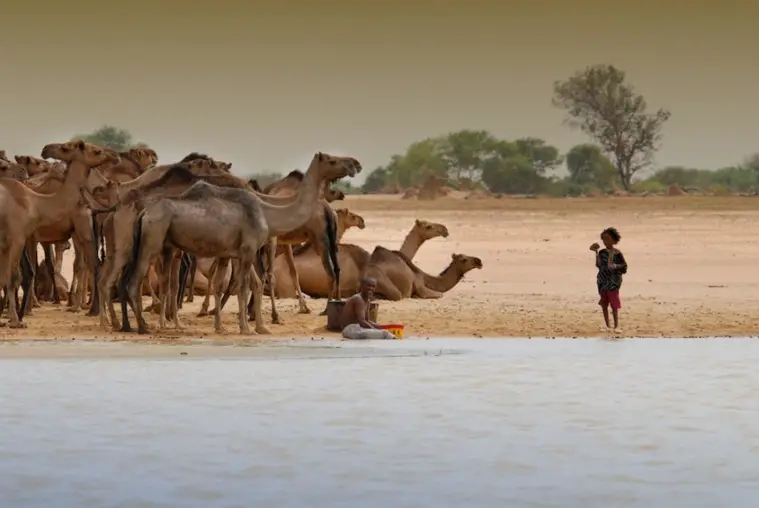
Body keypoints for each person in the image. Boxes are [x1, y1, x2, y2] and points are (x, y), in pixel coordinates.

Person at [589, 227, 628, 333]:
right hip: (602, 281)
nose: (605, 242)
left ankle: (616, 325)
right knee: (604, 304)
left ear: (614, 240)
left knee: (614, 303)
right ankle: (607, 325)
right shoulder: (602, 253)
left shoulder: (617, 253)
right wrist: (596, 252)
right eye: (604, 239)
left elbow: (624, 266)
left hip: (613, 282)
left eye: (607, 239)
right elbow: (598, 265)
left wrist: (615, 266)